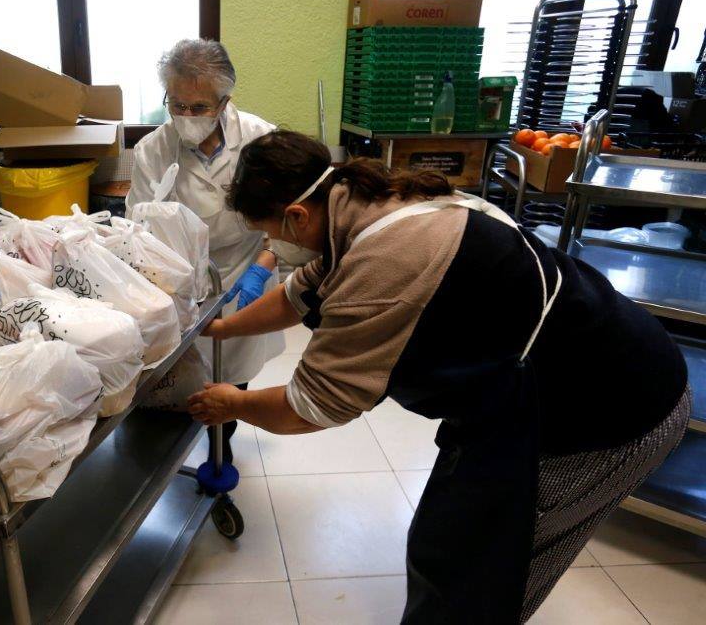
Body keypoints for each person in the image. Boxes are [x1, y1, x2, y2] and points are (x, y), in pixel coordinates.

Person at [189, 129, 690, 622]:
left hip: (607, 408)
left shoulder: (387, 258)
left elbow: (313, 407)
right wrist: (224, 328)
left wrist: (231, 403)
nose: (277, 246)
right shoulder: (367, 204)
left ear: (297, 214)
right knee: (446, 544)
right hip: (531, 388)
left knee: (484, 572)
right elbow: (302, 291)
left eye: (274, 235)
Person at [126, 39, 285, 462]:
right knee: (176, 377)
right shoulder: (152, 151)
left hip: (244, 270)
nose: (186, 116)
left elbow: (286, 221)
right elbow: (138, 228)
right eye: (176, 105)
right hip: (176, 277)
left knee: (232, 375)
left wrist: (262, 268)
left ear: (223, 101)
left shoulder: (260, 140)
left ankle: (222, 445)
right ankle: (170, 454)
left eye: (198, 107)